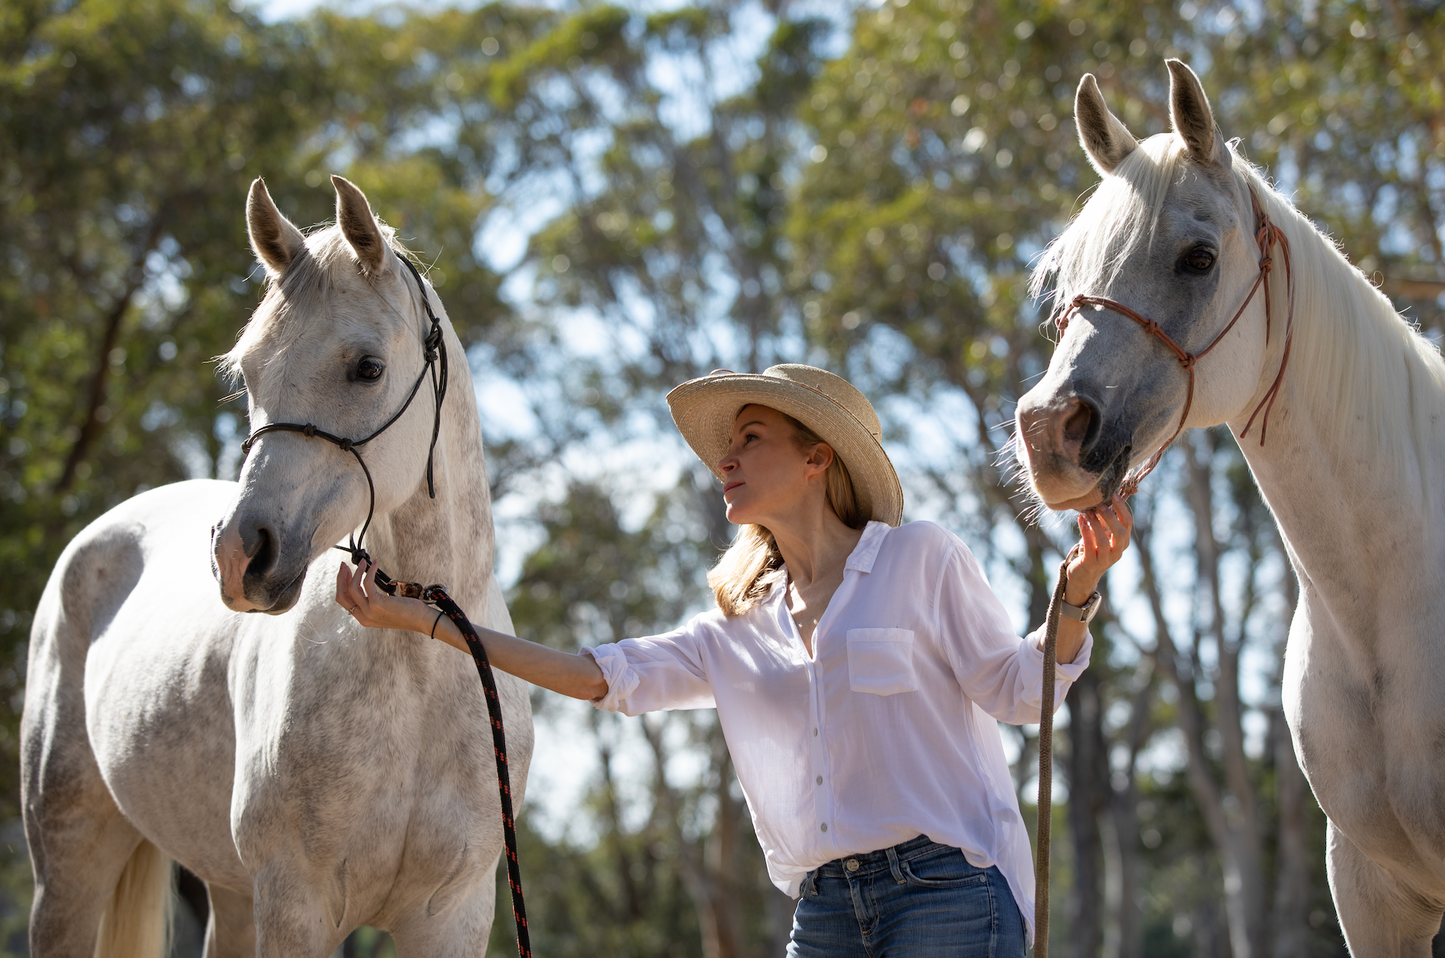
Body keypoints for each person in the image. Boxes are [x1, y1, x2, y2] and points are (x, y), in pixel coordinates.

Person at [337, 364, 1132, 957]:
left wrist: (1077, 595)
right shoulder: (736, 629)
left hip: (946, 895)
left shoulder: (919, 558)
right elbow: (593, 675)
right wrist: (423, 620)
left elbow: (1020, 690)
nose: (727, 460)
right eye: (728, 447)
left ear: (819, 458)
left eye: (750, 441)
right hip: (821, 912)